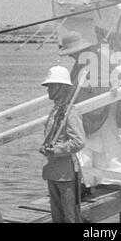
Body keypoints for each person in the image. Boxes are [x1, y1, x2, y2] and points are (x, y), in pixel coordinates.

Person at [58, 31, 121, 195]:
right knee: (103, 145)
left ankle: (89, 181)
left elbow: (114, 76)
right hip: (97, 108)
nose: (71, 56)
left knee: (92, 145)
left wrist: (113, 87)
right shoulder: (91, 58)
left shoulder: (93, 60)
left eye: (72, 53)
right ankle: (102, 179)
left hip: (99, 108)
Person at [39, 65, 86, 223]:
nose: (48, 89)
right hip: (52, 171)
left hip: (66, 173)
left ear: (62, 87)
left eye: (52, 86)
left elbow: (79, 141)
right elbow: (52, 137)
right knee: (57, 218)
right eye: (48, 86)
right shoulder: (55, 111)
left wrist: (57, 150)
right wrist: (45, 147)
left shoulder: (70, 112)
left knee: (70, 218)